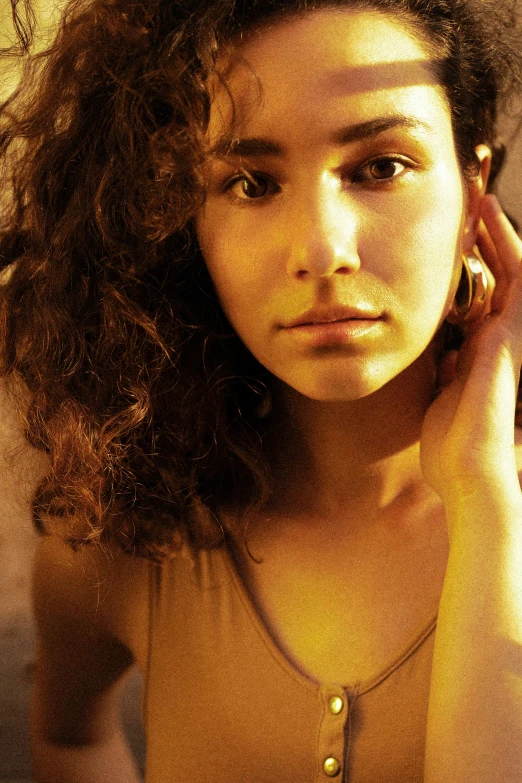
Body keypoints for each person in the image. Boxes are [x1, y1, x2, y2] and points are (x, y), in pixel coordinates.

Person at [1, 0, 522, 780]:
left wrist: (485, 502)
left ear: (474, 184)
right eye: (250, 183)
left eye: (380, 167)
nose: (322, 249)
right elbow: (72, 737)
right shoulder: (122, 529)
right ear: (181, 215)